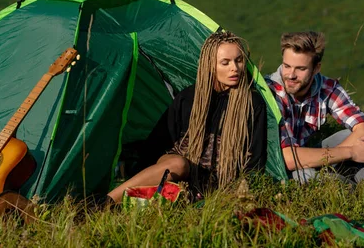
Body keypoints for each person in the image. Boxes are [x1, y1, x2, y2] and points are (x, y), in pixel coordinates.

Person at [106, 31, 268, 203]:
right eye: (225, 63)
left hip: (218, 183)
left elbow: (256, 158)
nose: (234, 68)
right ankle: (107, 202)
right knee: (178, 164)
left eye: (239, 60)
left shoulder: (253, 103)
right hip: (179, 172)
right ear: (210, 65)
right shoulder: (189, 97)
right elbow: (157, 144)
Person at [264, 31, 364, 185]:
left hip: (306, 157)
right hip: (276, 168)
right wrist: (349, 153)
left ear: (316, 68)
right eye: (286, 66)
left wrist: (334, 157)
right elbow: (288, 158)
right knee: (305, 175)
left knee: (355, 138)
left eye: (300, 69)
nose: (291, 75)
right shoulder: (271, 93)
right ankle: (352, 197)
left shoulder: (326, 88)